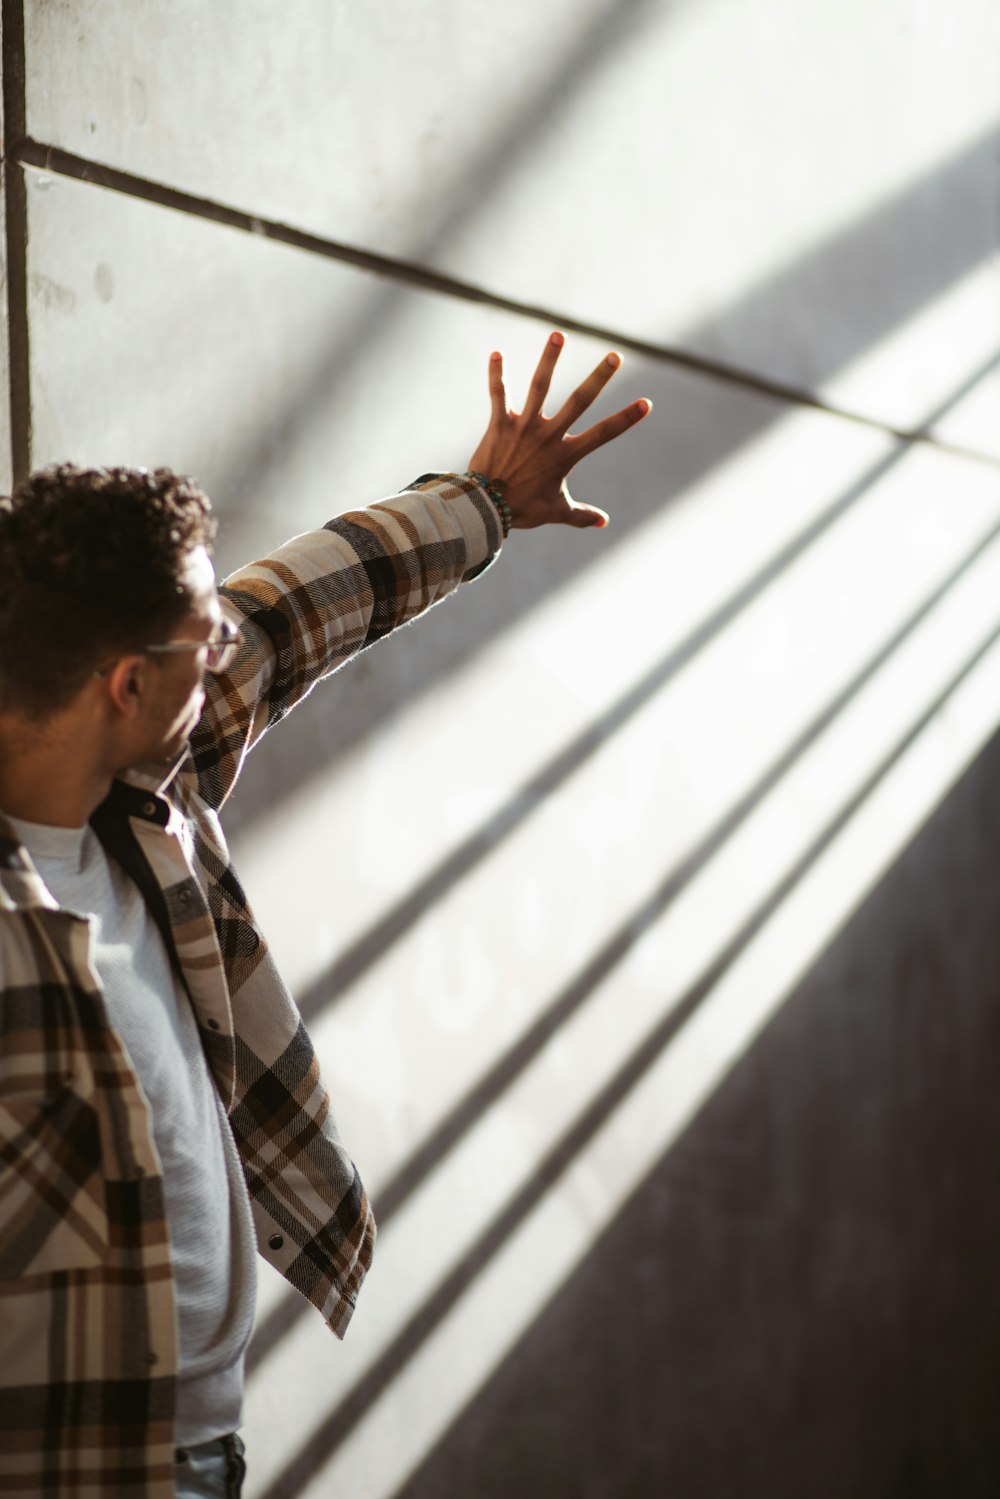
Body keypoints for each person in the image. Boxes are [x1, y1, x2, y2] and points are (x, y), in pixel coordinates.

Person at [0, 332, 650, 1498]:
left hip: (200, 1446)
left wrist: (487, 497)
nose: (227, 661)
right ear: (125, 684)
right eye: (202, 654)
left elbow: (294, 610)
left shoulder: (144, 789)